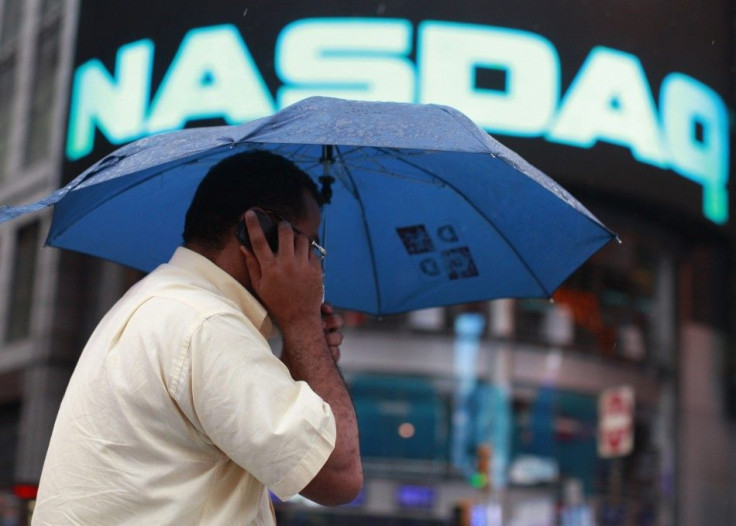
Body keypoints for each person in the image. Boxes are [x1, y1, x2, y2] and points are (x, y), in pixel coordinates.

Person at [33, 150, 363, 525]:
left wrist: (301, 348)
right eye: (311, 245)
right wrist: (303, 322)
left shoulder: (161, 301)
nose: (315, 265)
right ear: (259, 232)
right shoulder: (208, 325)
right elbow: (339, 477)